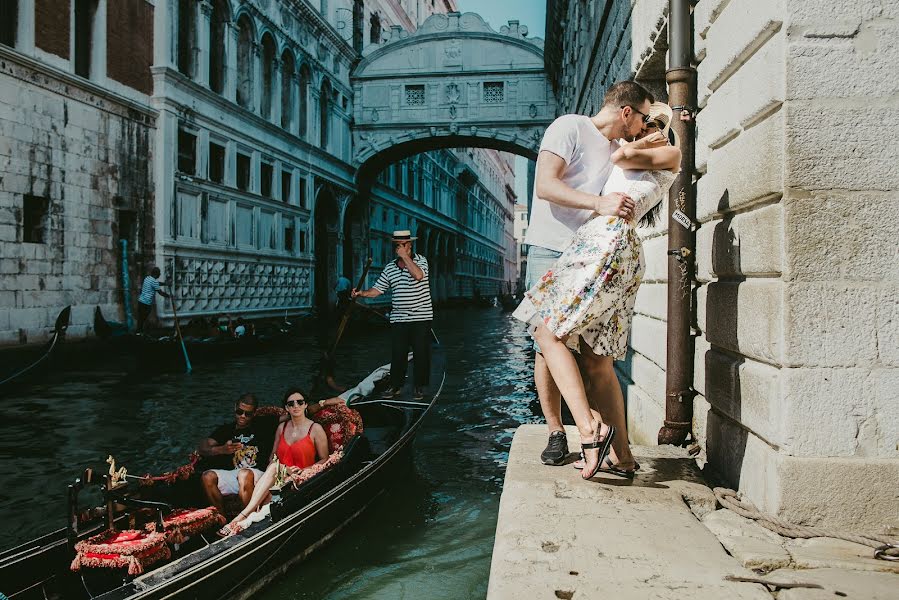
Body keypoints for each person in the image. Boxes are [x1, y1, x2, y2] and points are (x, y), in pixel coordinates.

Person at [515, 99, 681, 480]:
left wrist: (652, 135)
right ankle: (621, 458)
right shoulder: (624, 147)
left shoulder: (664, 152)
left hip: (603, 246)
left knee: (546, 331)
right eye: (645, 121)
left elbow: (623, 157)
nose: (644, 129)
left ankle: (589, 430)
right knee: (597, 360)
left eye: (654, 122)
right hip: (606, 246)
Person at [221, 388, 329, 534]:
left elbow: (325, 459)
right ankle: (248, 520)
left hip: (300, 477)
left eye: (300, 402)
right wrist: (276, 466)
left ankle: (240, 518)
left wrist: (304, 470)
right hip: (278, 476)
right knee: (272, 471)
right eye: (291, 403)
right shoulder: (281, 428)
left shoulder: (315, 429)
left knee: (273, 472)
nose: (295, 406)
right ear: (286, 408)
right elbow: (273, 455)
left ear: (305, 405)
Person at [352, 230, 433, 401]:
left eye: (403, 244)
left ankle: (420, 386)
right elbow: (378, 290)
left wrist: (405, 257)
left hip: (421, 317)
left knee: (421, 353)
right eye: (397, 245)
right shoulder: (390, 267)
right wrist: (362, 293)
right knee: (398, 354)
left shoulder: (421, 261)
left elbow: (418, 276)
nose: (400, 247)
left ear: (410, 245)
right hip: (398, 318)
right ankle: (396, 386)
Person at [198, 393, 280, 514]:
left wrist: (317, 405)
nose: (242, 416)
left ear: (254, 413)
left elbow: (292, 415)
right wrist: (222, 449)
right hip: (234, 475)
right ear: (235, 407)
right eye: (239, 412)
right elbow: (202, 447)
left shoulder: (263, 423)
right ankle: (222, 519)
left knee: (244, 473)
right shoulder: (226, 430)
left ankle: (246, 519)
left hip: (258, 475)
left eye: (248, 414)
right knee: (207, 476)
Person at [136, 266, 169, 334]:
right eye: (159, 274)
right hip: (146, 303)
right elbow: (160, 292)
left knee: (140, 318)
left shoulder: (147, 278)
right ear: (156, 274)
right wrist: (169, 296)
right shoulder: (154, 282)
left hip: (140, 301)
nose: (160, 275)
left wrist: (165, 284)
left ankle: (138, 332)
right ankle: (140, 332)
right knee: (143, 318)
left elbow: (157, 283)